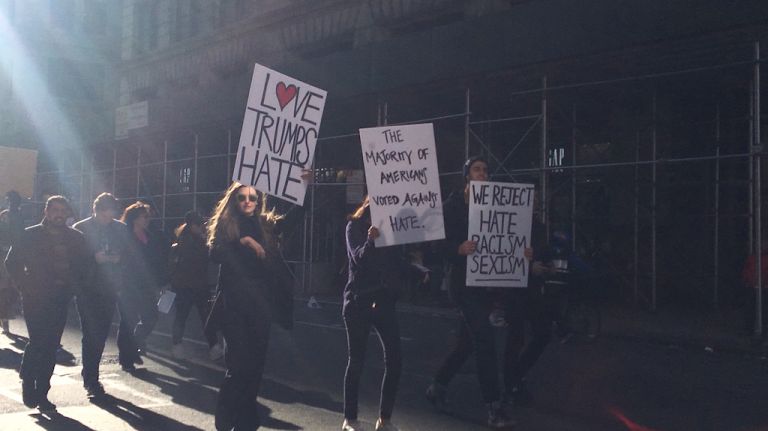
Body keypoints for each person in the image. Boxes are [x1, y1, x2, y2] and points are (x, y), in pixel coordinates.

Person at [426, 156, 529, 428]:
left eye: (485, 170)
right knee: (484, 340)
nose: (483, 173)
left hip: (486, 286)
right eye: (477, 169)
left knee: (467, 344)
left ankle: (437, 386)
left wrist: (523, 251)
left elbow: (507, 236)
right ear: (467, 176)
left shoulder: (495, 204)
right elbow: (435, 245)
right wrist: (457, 249)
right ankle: (494, 407)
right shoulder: (451, 207)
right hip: (463, 286)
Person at [207, 183, 295, 431]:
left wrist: (304, 186)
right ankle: (224, 423)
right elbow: (215, 253)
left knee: (255, 368)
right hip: (234, 305)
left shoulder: (266, 224)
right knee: (238, 367)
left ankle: (246, 423)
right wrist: (243, 242)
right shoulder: (227, 225)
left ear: (259, 201)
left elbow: (294, 220)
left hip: (260, 306)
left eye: (252, 198)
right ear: (234, 200)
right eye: (242, 197)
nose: (247, 201)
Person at [341, 196, 426, 431]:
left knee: (395, 359)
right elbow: (358, 258)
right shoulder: (354, 226)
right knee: (356, 360)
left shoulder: (391, 228)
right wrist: (371, 240)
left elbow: (395, 262)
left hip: (384, 301)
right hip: (359, 301)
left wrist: (417, 272)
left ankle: (385, 419)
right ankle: (349, 419)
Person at [4, 196, 88, 412]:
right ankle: (27, 379)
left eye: (63, 210)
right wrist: (24, 286)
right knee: (39, 340)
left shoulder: (76, 238)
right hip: (35, 297)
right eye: (55, 210)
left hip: (60, 297)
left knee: (51, 345)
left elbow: (82, 267)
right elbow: (12, 262)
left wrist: (73, 288)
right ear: (47, 212)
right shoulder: (30, 234)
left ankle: (42, 391)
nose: (59, 214)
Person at [73, 192, 133, 400]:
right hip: (87, 288)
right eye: (105, 215)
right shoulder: (81, 229)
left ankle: (91, 374)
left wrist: (118, 259)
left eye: (112, 214)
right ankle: (91, 377)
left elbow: (130, 255)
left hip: (109, 287)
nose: (109, 218)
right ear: (96, 210)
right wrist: (93, 258)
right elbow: (74, 261)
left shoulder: (120, 229)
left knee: (101, 332)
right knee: (91, 333)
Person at [170, 210, 223, 360]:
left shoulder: (183, 242)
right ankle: (213, 347)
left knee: (183, 317)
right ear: (192, 225)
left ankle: (178, 345)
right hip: (193, 286)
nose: (202, 226)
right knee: (202, 317)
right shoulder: (194, 243)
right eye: (199, 224)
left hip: (187, 286)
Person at [120, 201, 167, 367]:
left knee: (151, 316)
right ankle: (126, 357)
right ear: (134, 218)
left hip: (147, 284)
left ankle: (136, 341)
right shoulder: (124, 235)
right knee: (128, 320)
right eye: (144, 216)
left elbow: (158, 261)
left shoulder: (151, 235)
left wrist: (161, 282)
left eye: (148, 216)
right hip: (128, 284)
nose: (148, 219)